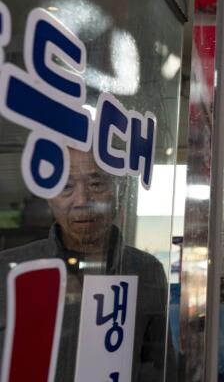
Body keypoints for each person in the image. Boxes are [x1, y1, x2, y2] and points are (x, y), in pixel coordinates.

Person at [0, 149, 174, 382]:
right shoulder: (10, 269)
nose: (82, 200)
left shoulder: (146, 270)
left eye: (96, 183)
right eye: (66, 187)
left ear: (118, 191)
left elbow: (160, 368)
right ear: (49, 199)